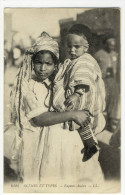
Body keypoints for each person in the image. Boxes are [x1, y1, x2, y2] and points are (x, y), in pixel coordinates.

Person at [6, 32, 90, 183]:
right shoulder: (26, 85)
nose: (42, 68)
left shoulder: (59, 83)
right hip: (35, 143)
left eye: (48, 64)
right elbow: (39, 118)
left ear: (56, 65)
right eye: (38, 62)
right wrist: (73, 115)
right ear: (32, 63)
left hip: (60, 143)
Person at [52, 24, 106, 162]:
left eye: (77, 47)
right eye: (69, 46)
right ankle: (90, 145)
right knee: (79, 121)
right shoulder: (73, 60)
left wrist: (76, 94)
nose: (72, 50)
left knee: (77, 117)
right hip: (78, 97)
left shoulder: (84, 61)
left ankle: (90, 145)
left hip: (81, 97)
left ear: (86, 47)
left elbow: (83, 78)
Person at [94, 34, 120, 132]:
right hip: (102, 81)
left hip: (112, 81)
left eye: (113, 45)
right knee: (103, 101)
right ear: (105, 44)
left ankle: (110, 124)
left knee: (113, 102)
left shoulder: (115, 54)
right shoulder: (98, 54)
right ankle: (101, 124)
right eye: (110, 45)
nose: (112, 47)